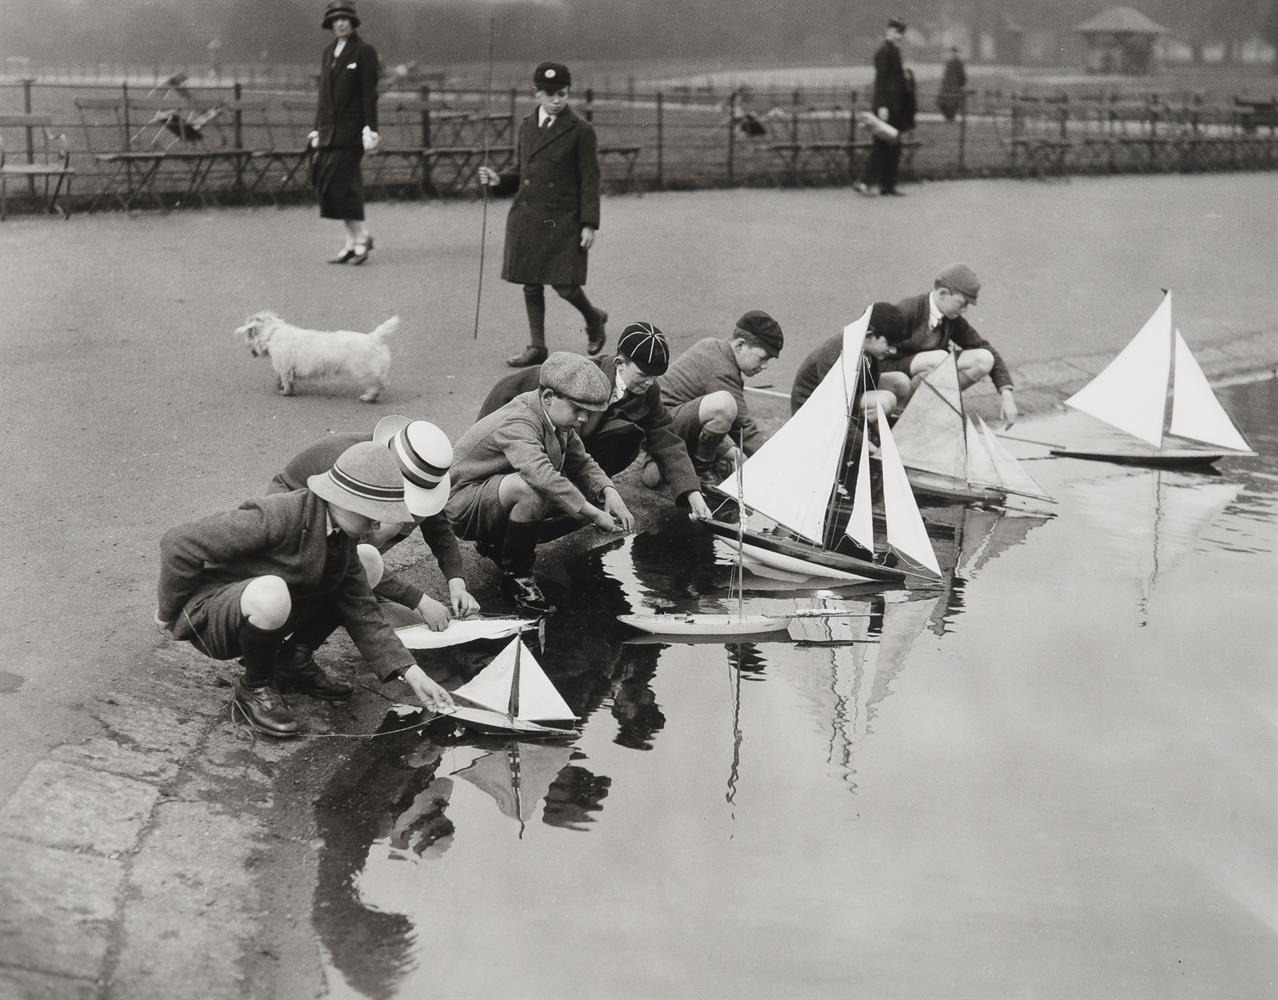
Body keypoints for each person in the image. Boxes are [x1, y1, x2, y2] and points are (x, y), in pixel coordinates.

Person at [156, 442, 455, 739]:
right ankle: (254, 685)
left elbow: (362, 610)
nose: (376, 526)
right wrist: (168, 613)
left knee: (366, 563)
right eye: (371, 515)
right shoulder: (280, 513)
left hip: (263, 610)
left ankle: (292, 661)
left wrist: (414, 674)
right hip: (216, 617)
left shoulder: (341, 537)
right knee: (272, 593)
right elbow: (179, 543)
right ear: (347, 499)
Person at [268, 415, 480, 648]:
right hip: (291, 527)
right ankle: (278, 645)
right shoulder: (360, 465)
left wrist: (456, 582)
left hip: (343, 544)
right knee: (344, 579)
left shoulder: (405, 466)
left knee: (371, 590)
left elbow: (437, 525)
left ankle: (297, 656)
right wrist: (418, 600)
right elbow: (351, 556)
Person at [445, 352, 634, 614]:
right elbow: (541, 475)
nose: (583, 419)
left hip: (491, 490)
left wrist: (608, 492)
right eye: (578, 410)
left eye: (588, 412)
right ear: (548, 397)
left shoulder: (554, 417)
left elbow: (581, 462)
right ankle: (518, 578)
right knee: (533, 490)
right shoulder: (519, 419)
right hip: (463, 502)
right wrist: (594, 514)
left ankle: (499, 543)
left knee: (567, 494)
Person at [476, 323, 714, 520]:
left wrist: (692, 493)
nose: (651, 383)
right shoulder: (581, 374)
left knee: (628, 437)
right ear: (620, 362)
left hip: (578, 452)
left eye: (655, 377)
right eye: (643, 375)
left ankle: (586, 494)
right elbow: (512, 388)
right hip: (543, 447)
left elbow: (666, 439)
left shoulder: (647, 390)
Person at [477, 62, 607, 368]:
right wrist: (499, 180)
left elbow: (590, 179)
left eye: (562, 93)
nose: (556, 100)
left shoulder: (581, 131)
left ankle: (594, 318)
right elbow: (523, 169)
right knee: (531, 282)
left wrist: (589, 224)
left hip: (563, 218)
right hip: (528, 215)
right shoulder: (526, 126)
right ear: (535, 93)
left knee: (564, 284)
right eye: (549, 94)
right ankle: (537, 346)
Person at [881, 263, 1018, 428]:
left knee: (983, 358)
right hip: (893, 380)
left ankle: (926, 408)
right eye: (963, 303)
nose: (965, 310)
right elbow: (877, 356)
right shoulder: (907, 310)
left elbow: (986, 349)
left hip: (922, 380)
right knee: (938, 358)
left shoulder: (950, 318)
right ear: (943, 293)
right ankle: (900, 414)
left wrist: (1006, 394)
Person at [656, 310, 784, 485]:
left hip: (670, 419)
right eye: (762, 358)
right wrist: (777, 466)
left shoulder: (714, 346)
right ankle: (701, 472)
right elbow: (744, 429)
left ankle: (666, 462)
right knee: (724, 407)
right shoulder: (722, 370)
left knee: (738, 457)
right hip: (661, 426)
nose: (765, 366)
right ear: (740, 345)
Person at [310, 0, 381, 265]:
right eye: (336, 19)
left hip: (352, 131)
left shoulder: (364, 52)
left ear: (353, 23)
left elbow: (368, 94)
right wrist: (316, 129)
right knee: (334, 187)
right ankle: (354, 241)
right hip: (329, 131)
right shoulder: (328, 52)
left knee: (340, 186)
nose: (340, 23)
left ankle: (361, 238)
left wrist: (371, 129)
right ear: (330, 24)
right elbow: (323, 96)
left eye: (345, 19)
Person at [790, 302, 910, 419]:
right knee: (885, 401)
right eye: (890, 344)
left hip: (846, 396)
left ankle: (892, 427)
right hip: (813, 411)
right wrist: (861, 439)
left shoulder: (866, 345)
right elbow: (836, 408)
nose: (893, 351)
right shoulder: (836, 353)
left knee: (900, 382)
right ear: (869, 336)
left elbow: (867, 386)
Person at [855, 17, 910, 197]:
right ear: (888, 31)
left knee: (893, 144)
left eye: (900, 32)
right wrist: (883, 105)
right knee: (881, 144)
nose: (898, 36)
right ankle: (865, 182)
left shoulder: (893, 51)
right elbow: (882, 81)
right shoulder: (884, 52)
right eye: (896, 31)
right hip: (886, 106)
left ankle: (887, 185)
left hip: (896, 106)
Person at [938, 46, 967, 122]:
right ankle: (948, 117)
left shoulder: (959, 63)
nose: (953, 54)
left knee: (954, 102)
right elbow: (946, 75)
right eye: (952, 53)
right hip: (947, 86)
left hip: (955, 86)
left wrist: (962, 84)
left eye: (954, 53)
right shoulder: (948, 62)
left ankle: (951, 117)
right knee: (943, 102)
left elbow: (962, 75)